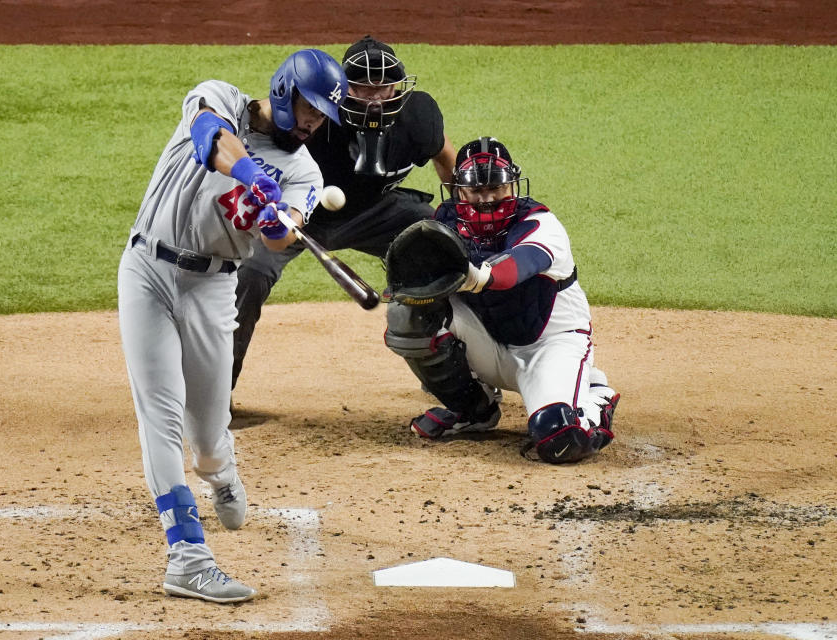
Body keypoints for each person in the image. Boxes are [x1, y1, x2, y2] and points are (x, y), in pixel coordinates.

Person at [117, 49, 347, 602]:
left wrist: (276, 220)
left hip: (213, 289)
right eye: (309, 106)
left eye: (323, 116)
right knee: (160, 414)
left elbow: (282, 232)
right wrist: (249, 176)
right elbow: (209, 139)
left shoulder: (304, 172)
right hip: (147, 269)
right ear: (284, 87)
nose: (314, 122)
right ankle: (188, 557)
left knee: (207, 436)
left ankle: (220, 472)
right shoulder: (218, 95)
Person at [231, 35, 457, 389]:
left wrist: (459, 217)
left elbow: (445, 157)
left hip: (378, 214)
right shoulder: (313, 119)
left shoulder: (416, 119)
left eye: (384, 87)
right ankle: (215, 394)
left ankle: (450, 374)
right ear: (341, 90)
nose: (376, 99)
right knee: (251, 271)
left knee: (448, 251)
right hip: (301, 213)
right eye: (363, 88)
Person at [384, 137, 621, 464]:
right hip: (489, 345)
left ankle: (595, 399)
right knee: (408, 314)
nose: (488, 198)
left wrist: (477, 276)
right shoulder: (446, 223)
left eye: (496, 188)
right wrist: (408, 288)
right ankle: (473, 410)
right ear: (459, 191)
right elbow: (419, 285)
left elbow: (516, 267)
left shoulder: (540, 224)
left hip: (549, 346)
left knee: (558, 437)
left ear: (513, 186)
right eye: (477, 191)